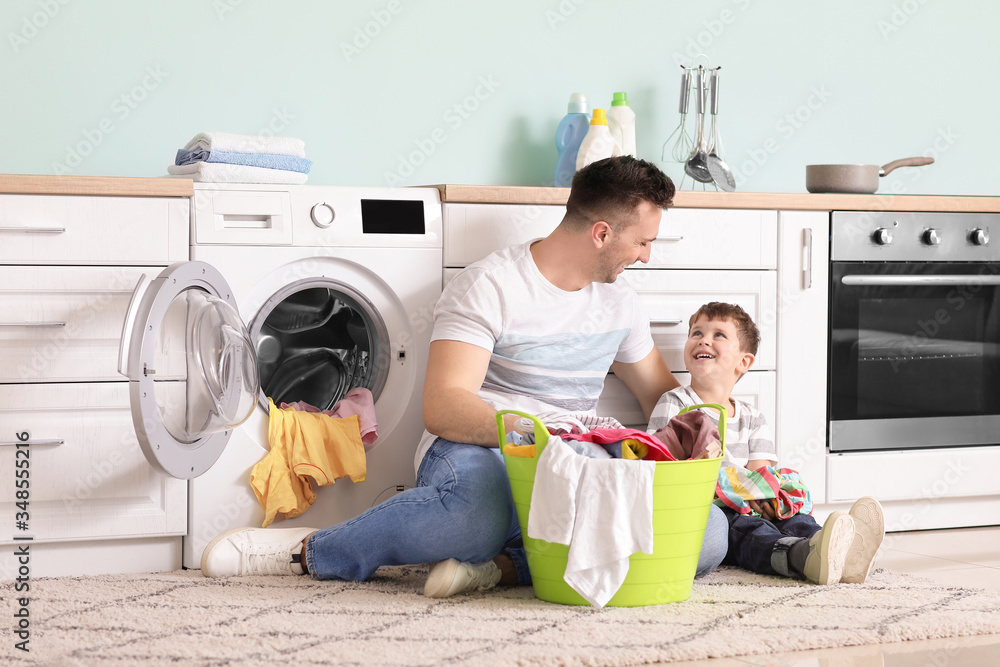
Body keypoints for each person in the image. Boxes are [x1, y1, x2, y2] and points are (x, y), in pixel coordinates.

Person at [200, 156, 729, 596]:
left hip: (574, 454)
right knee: (475, 517)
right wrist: (538, 435)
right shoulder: (491, 286)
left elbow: (662, 396)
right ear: (601, 233)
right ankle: (313, 549)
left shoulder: (620, 304)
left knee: (706, 535)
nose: (646, 255)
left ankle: (499, 568)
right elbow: (446, 406)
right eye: (642, 242)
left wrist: (704, 424)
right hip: (478, 447)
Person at [646, 302, 885, 585]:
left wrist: (769, 499)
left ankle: (840, 552)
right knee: (753, 531)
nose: (704, 339)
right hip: (715, 508)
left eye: (718, 335)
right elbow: (659, 460)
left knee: (793, 520)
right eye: (696, 332)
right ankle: (801, 558)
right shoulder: (676, 403)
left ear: (744, 362)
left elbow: (761, 475)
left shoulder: (752, 416)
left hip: (748, 502)